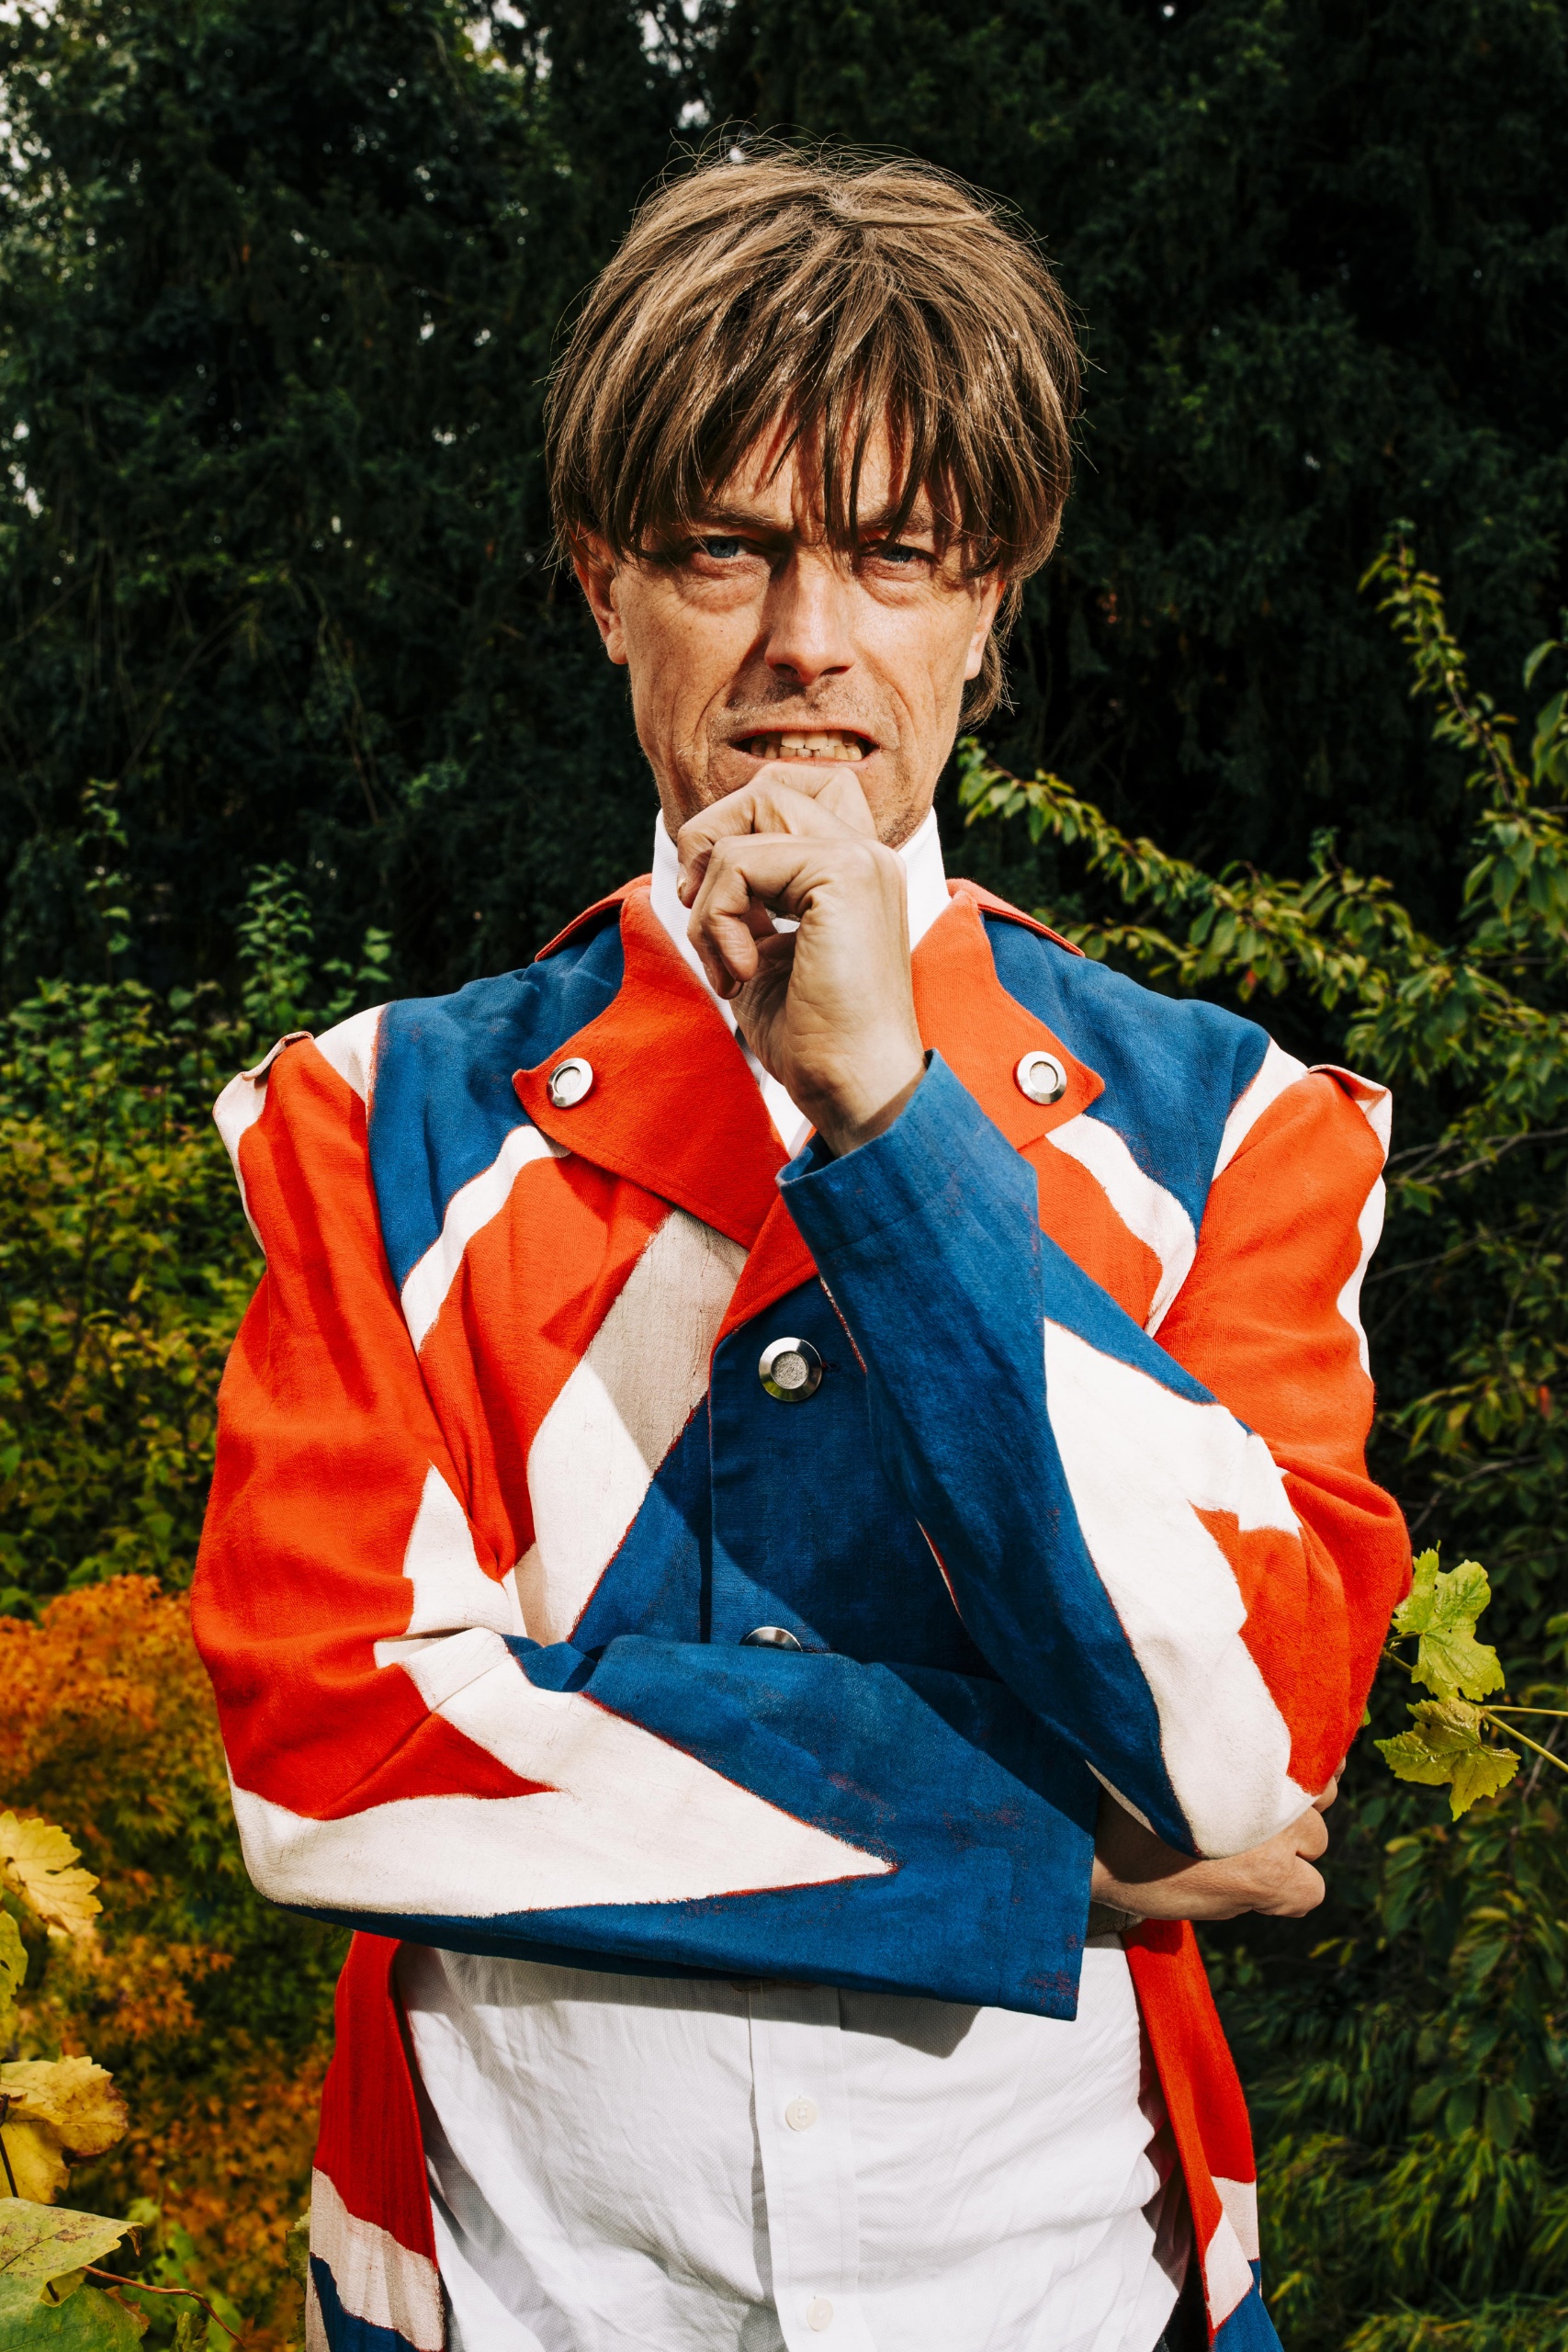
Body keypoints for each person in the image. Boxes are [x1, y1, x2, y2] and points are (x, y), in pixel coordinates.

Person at [192, 149, 1411, 2352]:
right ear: (600, 586)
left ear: (987, 604)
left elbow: (1234, 1752)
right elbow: (326, 1750)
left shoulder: (1231, 1126)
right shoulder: (375, 1120)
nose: (806, 641)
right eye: (722, 550)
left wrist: (889, 1112)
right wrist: (1019, 1845)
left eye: (888, 553)